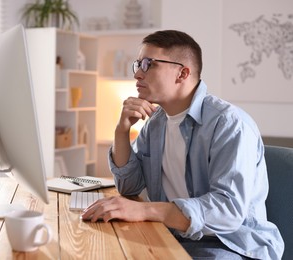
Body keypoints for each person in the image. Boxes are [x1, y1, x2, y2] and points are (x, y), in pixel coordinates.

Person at [81, 30, 284, 259]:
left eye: (149, 64)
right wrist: (121, 130)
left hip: (230, 246)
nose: (138, 73)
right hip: (174, 236)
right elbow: (129, 187)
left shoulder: (229, 124)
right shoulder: (155, 124)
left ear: (182, 73)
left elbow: (228, 211)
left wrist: (145, 210)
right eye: (138, 63)